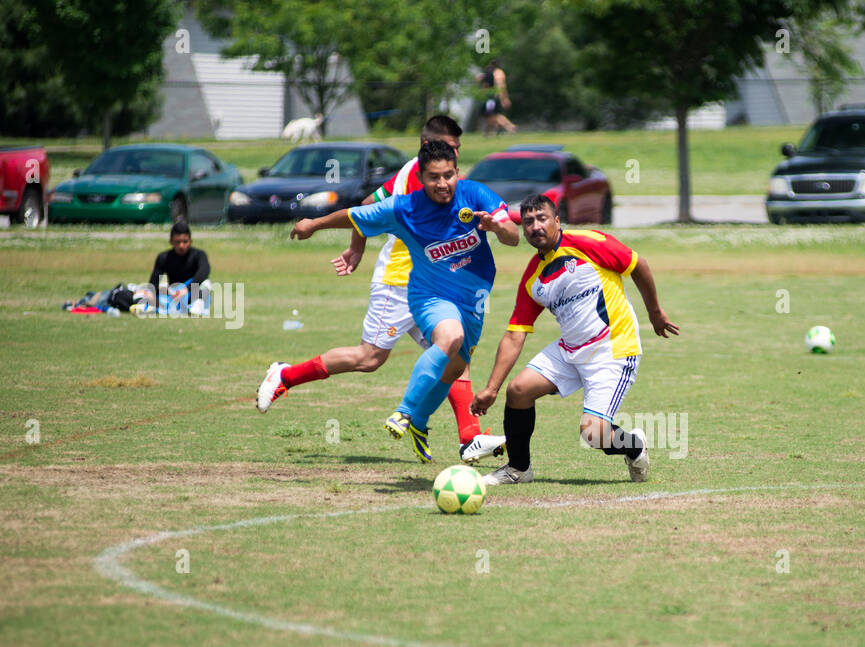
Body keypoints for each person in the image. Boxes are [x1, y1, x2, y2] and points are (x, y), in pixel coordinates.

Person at [255, 115, 506, 464]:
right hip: (399, 282)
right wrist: (353, 243)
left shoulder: (450, 182)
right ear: (426, 150)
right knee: (369, 358)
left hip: (439, 285)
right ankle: (285, 374)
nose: (452, 166)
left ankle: (467, 437)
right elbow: (366, 210)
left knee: (454, 354)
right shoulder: (410, 178)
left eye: (456, 154)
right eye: (448, 149)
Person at [470, 194, 678, 485]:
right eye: (528, 221)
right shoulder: (533, 276)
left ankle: (634, 445)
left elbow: (637, 264)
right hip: (570, 349)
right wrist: (492, 388)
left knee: (593, 434)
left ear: (557, 221)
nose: (535, 226)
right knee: (518, 391)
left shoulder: (589, 243)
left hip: (613, 349)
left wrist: (655, 312)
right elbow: (515, 333)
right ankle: (518, 469)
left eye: (542, 218)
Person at [143, 222, 210, 312]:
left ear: (190, 241)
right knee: (149, 293)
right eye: (177, 242)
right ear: (171, 241)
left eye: (185, 242)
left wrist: (186, 289)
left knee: (206, 283)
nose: (181, 245)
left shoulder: (199, 255)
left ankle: (196, 305)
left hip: (192, 292)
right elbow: (153, 283)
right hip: (174, 295)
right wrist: (164, 291)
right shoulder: (164, 258)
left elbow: (204, 271)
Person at [479, 60, 517, 136]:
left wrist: (504, 98)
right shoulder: (489, 73)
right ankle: (488, 132)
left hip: (491, 97)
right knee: (489, 114)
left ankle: (510, 126)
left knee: (491, 114)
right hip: (489, 96)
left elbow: (500, 86)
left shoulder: (497, 73)